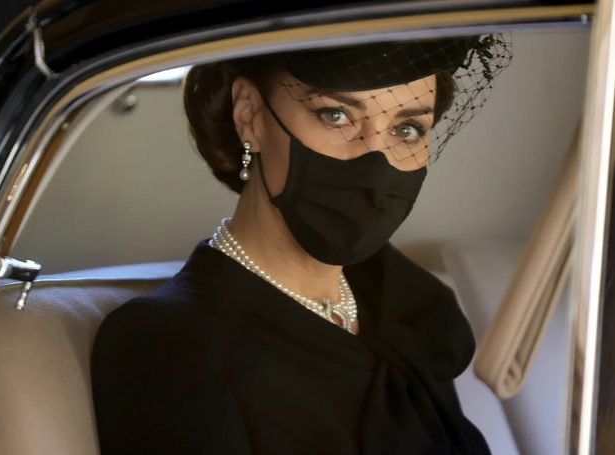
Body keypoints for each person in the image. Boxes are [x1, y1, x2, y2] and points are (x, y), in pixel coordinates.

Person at [91, 34, 512, 454]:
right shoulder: (170, 344)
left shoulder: (409, 306)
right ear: (249, 114)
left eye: (407, 129)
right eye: (336, 115)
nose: (375, 161)